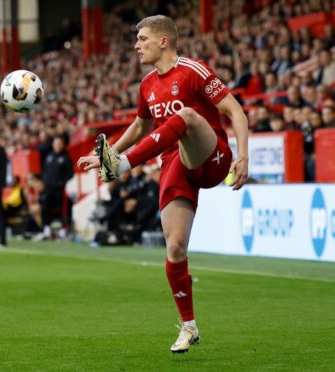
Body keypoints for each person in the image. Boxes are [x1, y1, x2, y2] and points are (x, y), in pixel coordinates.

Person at [77, 15, 249, 353]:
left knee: (184, 117)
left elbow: (236, 112)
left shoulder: (194, 71)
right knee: (174, 248)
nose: (137, 45)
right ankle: (189, 327)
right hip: (174, 164)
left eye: (142, 39)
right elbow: (141, 127)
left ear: (163, 41)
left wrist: (243, 157)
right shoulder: (147, 85)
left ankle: (123, 166)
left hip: (211, 155)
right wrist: (108, 152)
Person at [39, 134, 74, 239]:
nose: (57, 145)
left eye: (59, 143)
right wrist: (45, 180)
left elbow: (70, 173)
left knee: (62, 209)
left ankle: (63, 230)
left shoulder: (66, 158)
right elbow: (44, 171)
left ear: (63, 145)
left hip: (60, 189)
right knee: (45, 207)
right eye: (55, 143)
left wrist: (62, 182)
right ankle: (46, 229)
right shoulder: (49, 157)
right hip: (48, 188)